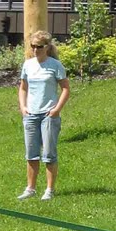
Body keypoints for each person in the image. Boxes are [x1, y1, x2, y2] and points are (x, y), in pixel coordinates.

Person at [17, 29, 70, 201]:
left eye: (39, 46)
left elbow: (65, 89)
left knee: (49, 154)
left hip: (49, 115)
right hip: (31, 115)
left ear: (47, 47)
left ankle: (49, 190)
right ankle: (30, 188)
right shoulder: (28, 65)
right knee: (31, 154)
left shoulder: (55, 65)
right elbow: (23, 88)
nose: (35, 49)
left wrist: (56, 109)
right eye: (32, 46)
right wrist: (23, 107)